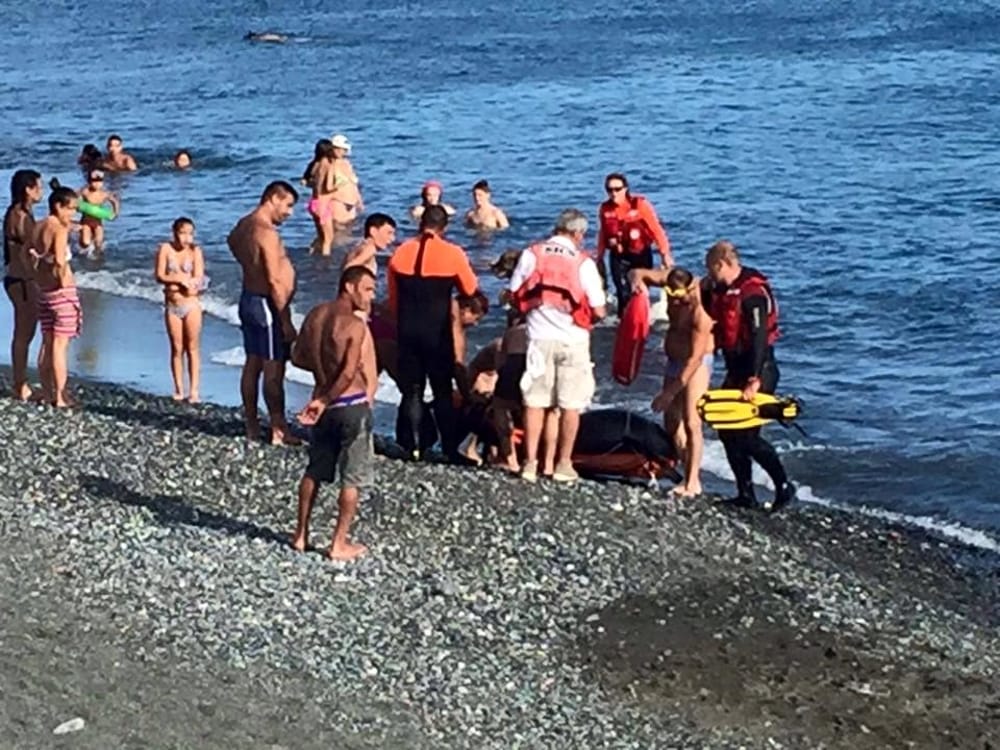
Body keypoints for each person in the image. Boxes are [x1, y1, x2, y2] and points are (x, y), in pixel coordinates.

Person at [509, 208, 606, 482]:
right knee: (569, 406)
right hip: (573, 340)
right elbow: (598, 309)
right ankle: (563, 464)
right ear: (578, 234)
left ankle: (530, 464)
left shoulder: (533, 253)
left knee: (535, 403)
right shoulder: (582, 262)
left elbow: (515, 292)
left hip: (539, 338)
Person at [292, 266, 378, 561]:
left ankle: (300, 535)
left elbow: (297, 356)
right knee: (352, 477)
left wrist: (320, 386)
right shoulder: (355, 325)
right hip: (348, 403)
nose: (371, 296)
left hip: (322, 404)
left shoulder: (315, 315)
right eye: (367, 289)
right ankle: (338, 543)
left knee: (314, 470)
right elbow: (349, 372)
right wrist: (328, 398)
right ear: (349, 287)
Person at [705, 240, 795, 512]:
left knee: (746, 434)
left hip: (759, 369)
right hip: (735, 368)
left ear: (722, 264)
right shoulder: (720, 289)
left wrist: (754, 379)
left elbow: (759, 338)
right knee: (725, 429)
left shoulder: (752, 293)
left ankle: (782, 485)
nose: (711, 276)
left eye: (712, 270)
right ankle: (745, 493)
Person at [387, 204, 479, 462]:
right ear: (444, 227)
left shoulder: (401, 252)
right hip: (437, 332)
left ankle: (414, 447)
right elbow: (470, 288)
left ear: (421, 223)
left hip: (408, 330)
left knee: (412, 391)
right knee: (441, 391)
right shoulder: (453, 253)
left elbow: (393, 301)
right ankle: (449, 448)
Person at [227, 180, 300, 444]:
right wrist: (286, 320)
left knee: (253, 363)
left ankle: (252, 424)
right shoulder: (267, 232)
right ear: (273, 198)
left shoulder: (245, 224)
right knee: (273, 368)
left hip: (249, 298)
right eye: (288, 205)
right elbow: (274, 281)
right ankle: (279, 428)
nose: (290, 213)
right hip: (266, 304)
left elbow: (231, 241)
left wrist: (250, 265)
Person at [630, 266, 713, 497]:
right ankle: (686, 466)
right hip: (674, 360)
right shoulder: (670, 284)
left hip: (695, 364)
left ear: (689, 289)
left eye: (678, 296)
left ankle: (693, 482)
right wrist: (636, 282)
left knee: (692, 422)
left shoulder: (699, 312)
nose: (674, 302)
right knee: (671, 422)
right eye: (670, 294)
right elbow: (641, 273)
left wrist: (669, 392)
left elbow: (695, 359)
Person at [31, 187, 81, 407]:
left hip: (43, 291)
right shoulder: (58, 230)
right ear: (58, 206)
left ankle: (47, 391)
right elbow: (60, 261)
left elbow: (26, 255)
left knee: (47, 342)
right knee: (60, 345)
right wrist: (63, 282)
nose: (73, 214)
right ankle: (60, 396)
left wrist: (37, 274)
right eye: (70, 209)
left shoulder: (38, 226)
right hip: (61, 292)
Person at [596, 172, 672, 315]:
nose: (613, 193)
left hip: (640, 254)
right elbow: (603, 233)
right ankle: (622, 323)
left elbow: (656, 229)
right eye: (609, 190)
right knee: (622, 291)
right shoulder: (605, 209)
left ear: (625, 189)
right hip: (618, 256)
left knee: (639, 291)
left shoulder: (640, 205)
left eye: (617, 189)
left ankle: (642, 321)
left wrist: (664, 253)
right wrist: (599, 256)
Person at [155, 217, 205, 402]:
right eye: (183, 233)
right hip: (172, 305)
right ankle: (178, 388)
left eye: (190, 234)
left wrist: (191, 284)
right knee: (177, 348)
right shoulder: (165, 249)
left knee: (192, 347)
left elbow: (199, 277)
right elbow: (159, 275)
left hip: (191, 304)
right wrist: (178, 280)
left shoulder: (195, 251)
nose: (186, 238)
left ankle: (194, 390)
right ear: (175, 233)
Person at [3, 170, 44, 400]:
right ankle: (20, 385)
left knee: (26, 331)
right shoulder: (18, 215)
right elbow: (32, 243)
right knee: (23, 332)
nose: (41, 191)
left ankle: (21, 381)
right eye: (38, 186)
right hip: (21, 279)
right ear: (28, 189)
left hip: (21, 277)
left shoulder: (21, 213)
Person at [302, 139, 337, 255]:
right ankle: (325, 262)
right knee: (328, 238)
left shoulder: (314, 164)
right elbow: (328, 187)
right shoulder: (328, 165)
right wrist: (339, 186)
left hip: (314, 203)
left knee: (321, 236)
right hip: (323, 205)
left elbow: (304, 182)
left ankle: (311, 252)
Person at [341, 212, 397, 277]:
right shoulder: (370, 249)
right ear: (373, 231)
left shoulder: (359, 244)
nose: (393, 238)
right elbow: (348, 268)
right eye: (389, 233)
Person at [78, 169, 119, 253]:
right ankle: (79, 246)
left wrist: (115, 213)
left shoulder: (104, 194)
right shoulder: (85, 191)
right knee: (85, 243)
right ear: (89, 182)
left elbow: (114, 201)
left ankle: (97, 259)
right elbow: (74, 197)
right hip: (86, 221)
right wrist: (78, 206)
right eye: (94, 181)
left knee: (98, 244)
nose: (97, 184)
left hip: (98, 222)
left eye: (99, 181)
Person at [328, 134, 363, 226]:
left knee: (350, 231)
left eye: (343, 149)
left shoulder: (347, 164)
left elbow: (353, 184)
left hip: (352, 204)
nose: (341, 152)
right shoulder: (329, 165)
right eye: (337, 149)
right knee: (339, 232)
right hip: (338, 202)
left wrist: (359, 200)